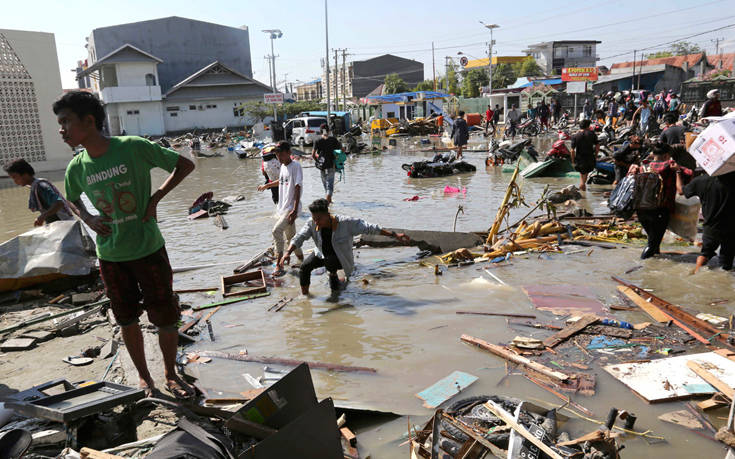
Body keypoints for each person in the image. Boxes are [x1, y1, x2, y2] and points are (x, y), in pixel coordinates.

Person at [55, 91, 196, 399]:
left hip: (148, 249)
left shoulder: (133, 147)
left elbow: (184, 165)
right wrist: (90, 220)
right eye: (59, 123)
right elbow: (73, 198)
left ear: (89, 121)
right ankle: (145, 379)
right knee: (127, 319)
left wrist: (156, 198)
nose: (61, 129)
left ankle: (171, 375)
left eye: (66, 121)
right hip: (111, 256)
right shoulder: (76, 167)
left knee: (166, 316)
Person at [281, 198, 410, 296]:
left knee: (334, 285)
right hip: (321, 254)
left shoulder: (346, 223)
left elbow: (370, 228)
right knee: (304, 267)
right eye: (314, 218)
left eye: (319, 219)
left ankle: (334, 277)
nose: (316, 222)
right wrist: (287, 252)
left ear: (327, 214)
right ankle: (306, 297)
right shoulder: (312, 223)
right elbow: (300, 236)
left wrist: (394, 235)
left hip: (341, 259)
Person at [630, 142, 692, 259]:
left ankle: (655, 264)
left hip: (641, 209)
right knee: (652, 243)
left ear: (653, 154)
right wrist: (677, 170)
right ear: (667, 155)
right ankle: (643, 265)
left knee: (654, 240)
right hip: (660, 210)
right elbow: (689, 174)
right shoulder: (670, 165)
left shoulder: (643, 167)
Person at [258, 141, 304, 275]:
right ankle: (302, 260)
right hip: (283, 207)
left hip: (290, 208)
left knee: (276, 231)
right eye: (277, 156)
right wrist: (267, 186)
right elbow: (282, 181)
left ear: (289, 153)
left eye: (282, 155)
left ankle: (279, 264)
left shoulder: (296, 166)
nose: (279, 159)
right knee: (291, 238)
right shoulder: (283, 166)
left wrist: (295, 210)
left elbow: (297, 187)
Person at [682, 171, 735, 273]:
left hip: (711, 226)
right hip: (732, 227)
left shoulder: (701, 181)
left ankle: (695, 274)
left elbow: (682, 191)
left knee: (705, 254)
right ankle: (723, 282)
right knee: (727, 262)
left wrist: (678, 173)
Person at [4, 158, 73, 226]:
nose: (15, 181)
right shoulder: (35, 186)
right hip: (57, 225)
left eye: (15, 177)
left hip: (64, 224)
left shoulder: (41, 186)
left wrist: (43, 216)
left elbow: (59, 203)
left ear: (25, 174)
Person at [312, 125, 341, 203]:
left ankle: (329, 202)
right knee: (330, 187)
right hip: (331, 165)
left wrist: (318, 162)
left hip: (322, 166)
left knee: (326, 186)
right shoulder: (333, 140)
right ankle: (327, 205)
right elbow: (341, 151)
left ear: (321, 131)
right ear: (328, 131)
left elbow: (313, 155)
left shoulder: (317, 140)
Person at [570, 119, 599, 191]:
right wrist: (596, 156)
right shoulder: (592, 134)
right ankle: (582, 186)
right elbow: (597, 146)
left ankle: (582, 187)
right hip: (589, 157)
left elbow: (572, 150)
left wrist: (573, 160)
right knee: (585, 172)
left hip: (579, 157)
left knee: (582, 172)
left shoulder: (575, 135)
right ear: (588, 126)